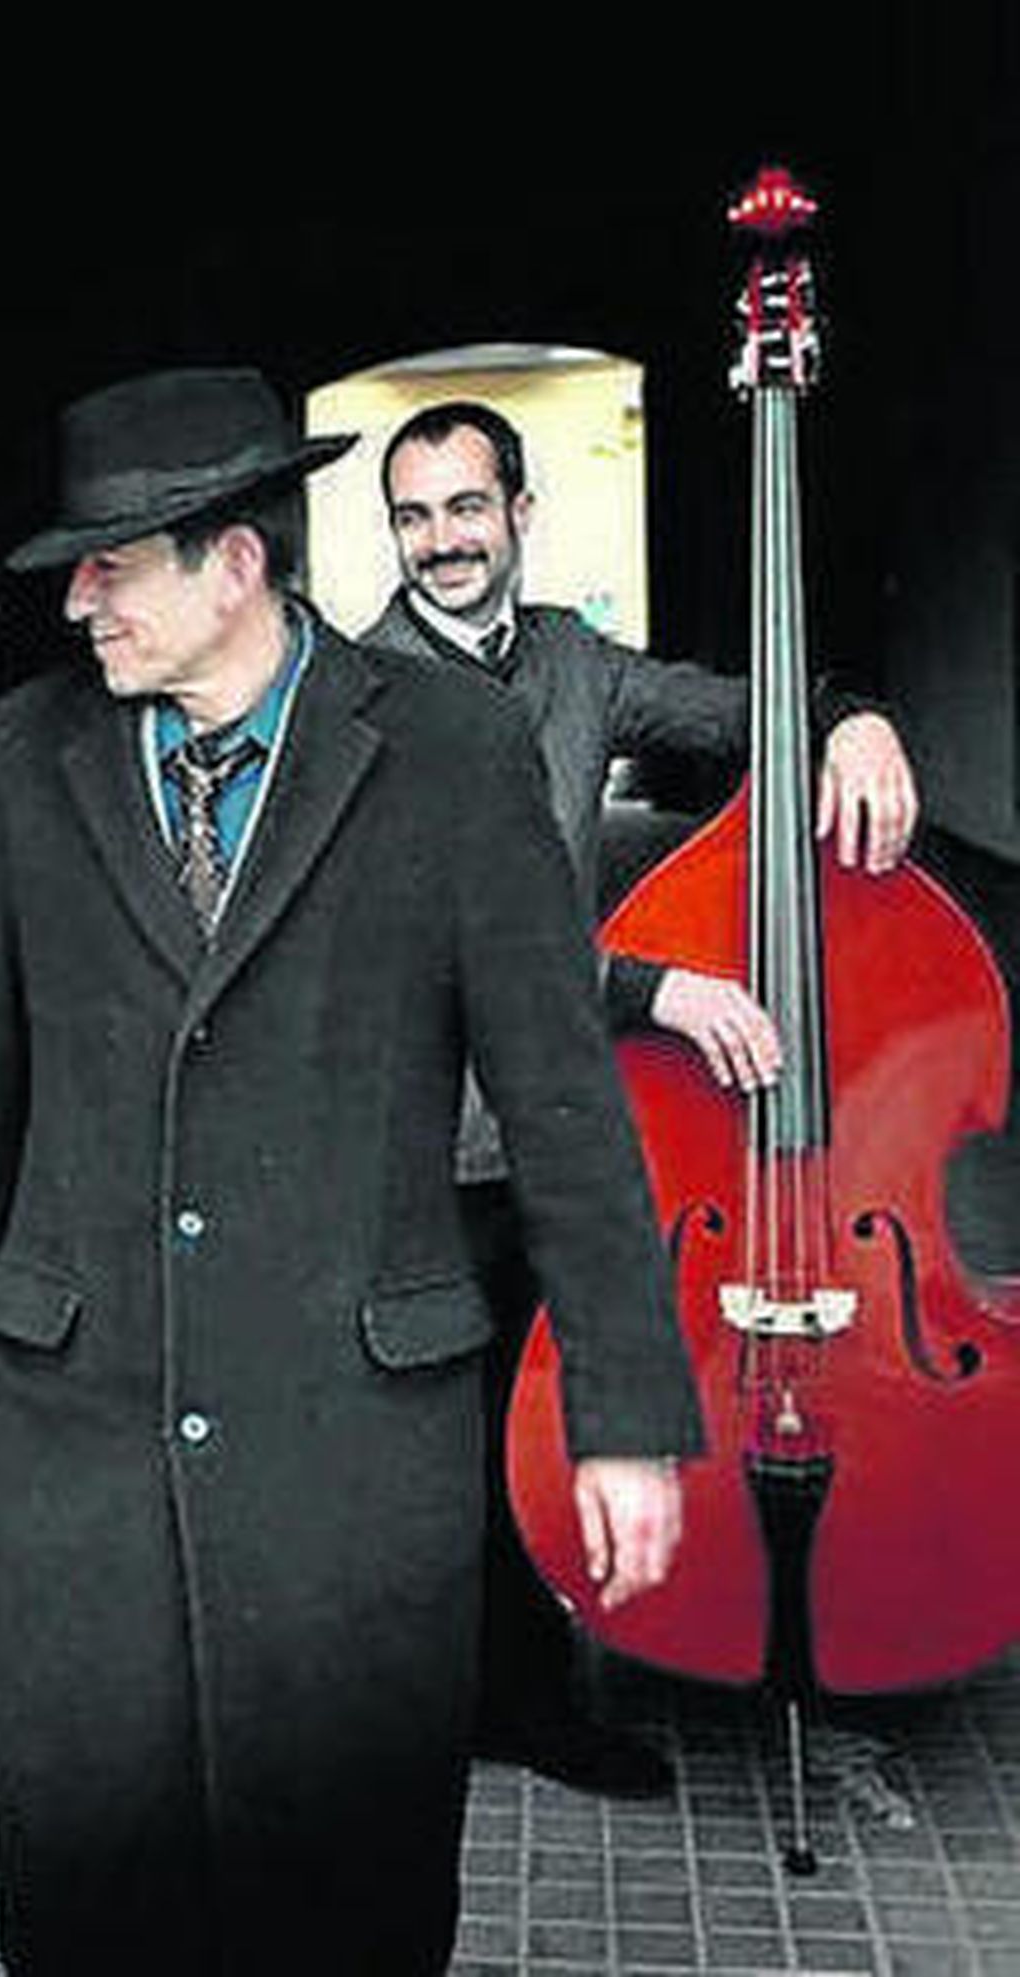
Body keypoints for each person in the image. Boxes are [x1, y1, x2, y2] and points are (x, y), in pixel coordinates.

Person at [0, 367, 704, 1976]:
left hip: (356, 1438)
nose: (80, 599)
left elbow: (561, 1106)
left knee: (344, 1901)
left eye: (112, 564)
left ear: (237, 563)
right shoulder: (24, 755)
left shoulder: (453, 752)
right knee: (98, 1899)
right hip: (79, 1428)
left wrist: (625, 1418)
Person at [363, 398, 919, 1798]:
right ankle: (474, 1699)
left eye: (466, 507)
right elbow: (431, 929)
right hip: (415, 1130)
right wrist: (651, 988)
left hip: (549, 1121)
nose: (442, 540)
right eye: (415, 515)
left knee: (538, 1413)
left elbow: (742, 713)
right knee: (440, 1429)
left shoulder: (576, 661)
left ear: (519, 513)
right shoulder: (360, 689)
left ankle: (523, 1691)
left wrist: (849, 719)